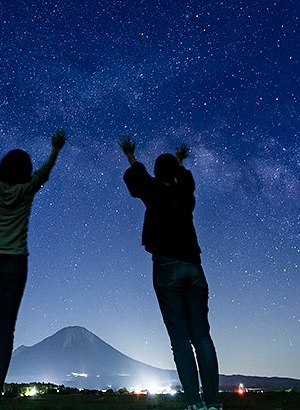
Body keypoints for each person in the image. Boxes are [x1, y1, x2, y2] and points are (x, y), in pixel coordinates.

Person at [0, 130, 67, 410]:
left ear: (2, 169)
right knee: (4, 332)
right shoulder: (26, 190)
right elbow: (43, 174)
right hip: (15, 263)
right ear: (25, 172)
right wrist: (54, 150)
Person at [119, 137, 221, 410]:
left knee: (179, 337)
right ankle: (214, 402)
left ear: (156, 173)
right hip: (194, 267)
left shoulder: (153, 190)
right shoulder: (185, 196)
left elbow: (137, 180)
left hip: (166, 266)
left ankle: (195, 403)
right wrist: (180, 162)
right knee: (202, 337)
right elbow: (187, 181)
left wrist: (130, 155)